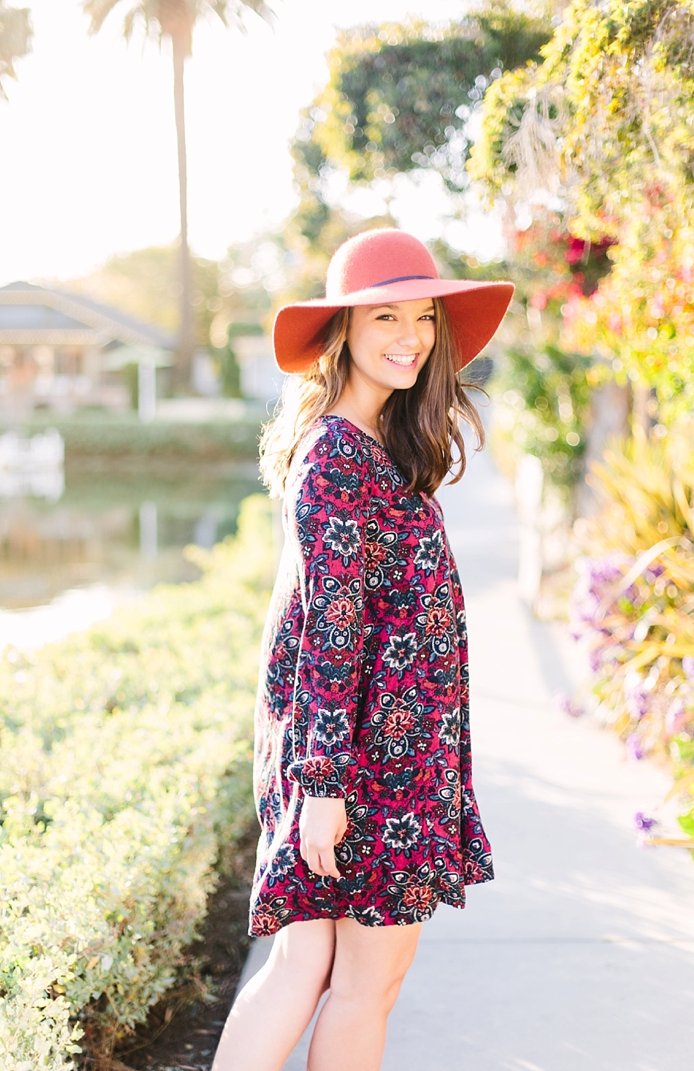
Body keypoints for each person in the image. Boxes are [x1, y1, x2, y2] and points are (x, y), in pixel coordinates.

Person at [213, 228, 514, 1071]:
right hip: (365, 762)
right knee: (353, 981)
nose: (411, 335)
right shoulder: (337, 460)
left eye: (422, 316)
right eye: (386, 315)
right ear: (341, 330)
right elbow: (329, 631)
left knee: (314, 968)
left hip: (378, 753)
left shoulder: (369, 447)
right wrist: (322, 786)